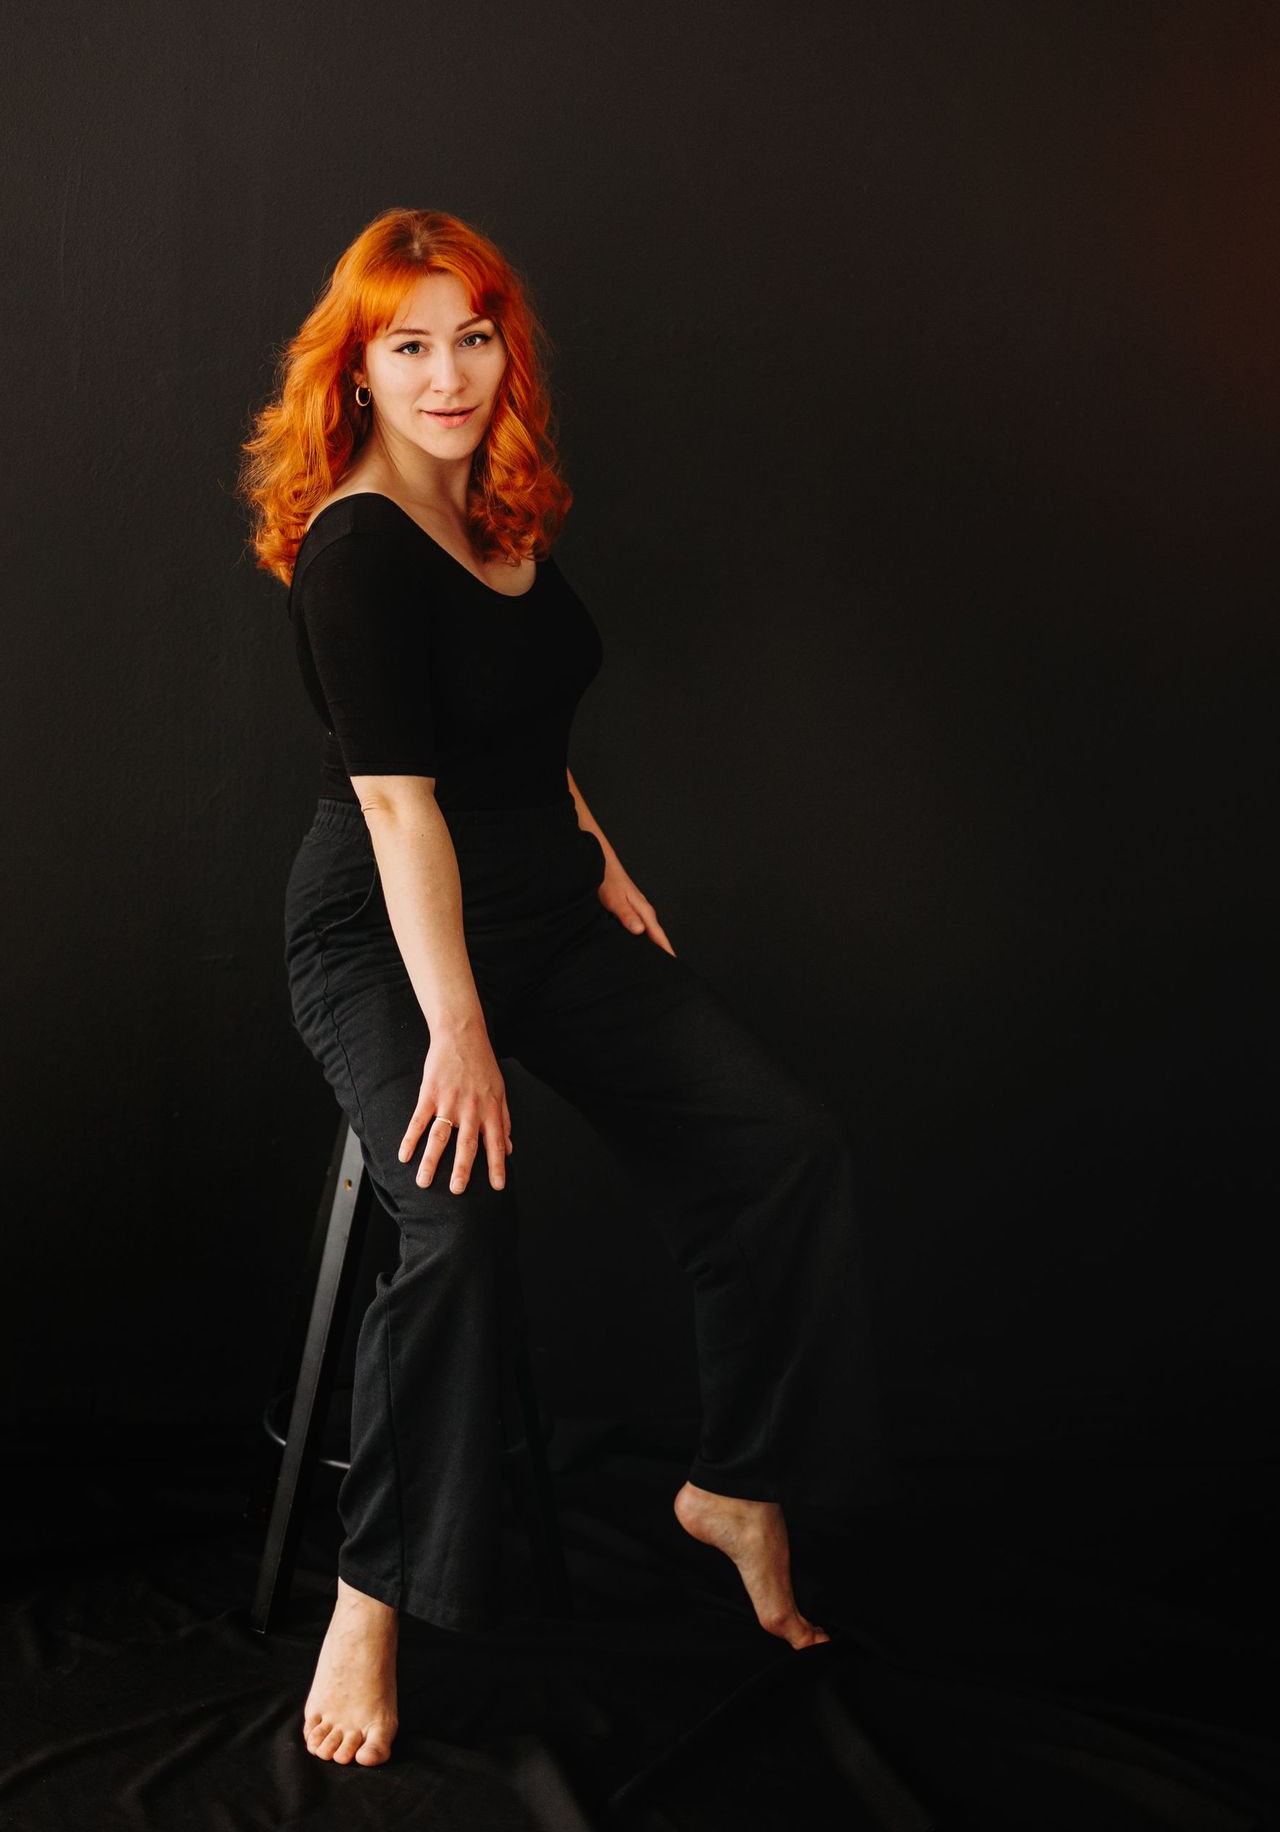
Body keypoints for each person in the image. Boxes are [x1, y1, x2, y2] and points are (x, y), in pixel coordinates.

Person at [238, 207, 890, 1769]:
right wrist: (457, 1027)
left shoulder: (491, 509)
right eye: (410, 346)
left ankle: (736, 1486)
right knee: (459, 1223)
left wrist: (601, 857)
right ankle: (372, 1600)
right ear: (357, 370)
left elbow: (524, 724)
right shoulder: (356, 548)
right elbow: (402, 808)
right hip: (388, 929)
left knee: (782, 1150)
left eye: (472, 339)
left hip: (539, 896)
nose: (447, 376)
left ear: (503, 350)